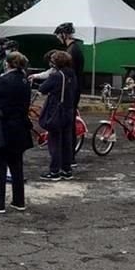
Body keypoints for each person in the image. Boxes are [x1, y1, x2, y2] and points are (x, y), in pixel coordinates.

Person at [0, 51, 34, 213]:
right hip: (20, 126)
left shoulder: (4, 80)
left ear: (7, 64)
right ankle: (19, 201)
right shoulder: (25, 81)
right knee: (16, 166)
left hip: (2, 126)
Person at [37, 50, 76, 181]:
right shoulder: (71, 74)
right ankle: (67, 170)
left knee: (54, 142)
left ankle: (54, 171)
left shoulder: (56, 76)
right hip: (69, 110)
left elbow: (42, 89)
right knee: (66, 141)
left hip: (56, 111)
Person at [54, 23, 84, 165]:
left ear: (64, 35)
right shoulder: (73, 48)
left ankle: (69, 156)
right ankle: (68, 156)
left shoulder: (72, 51)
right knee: (68, 123)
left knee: (67, 124)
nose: (58, 38)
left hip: (71, 91)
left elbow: (68, 74)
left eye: (59, 35)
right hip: (74, 90)